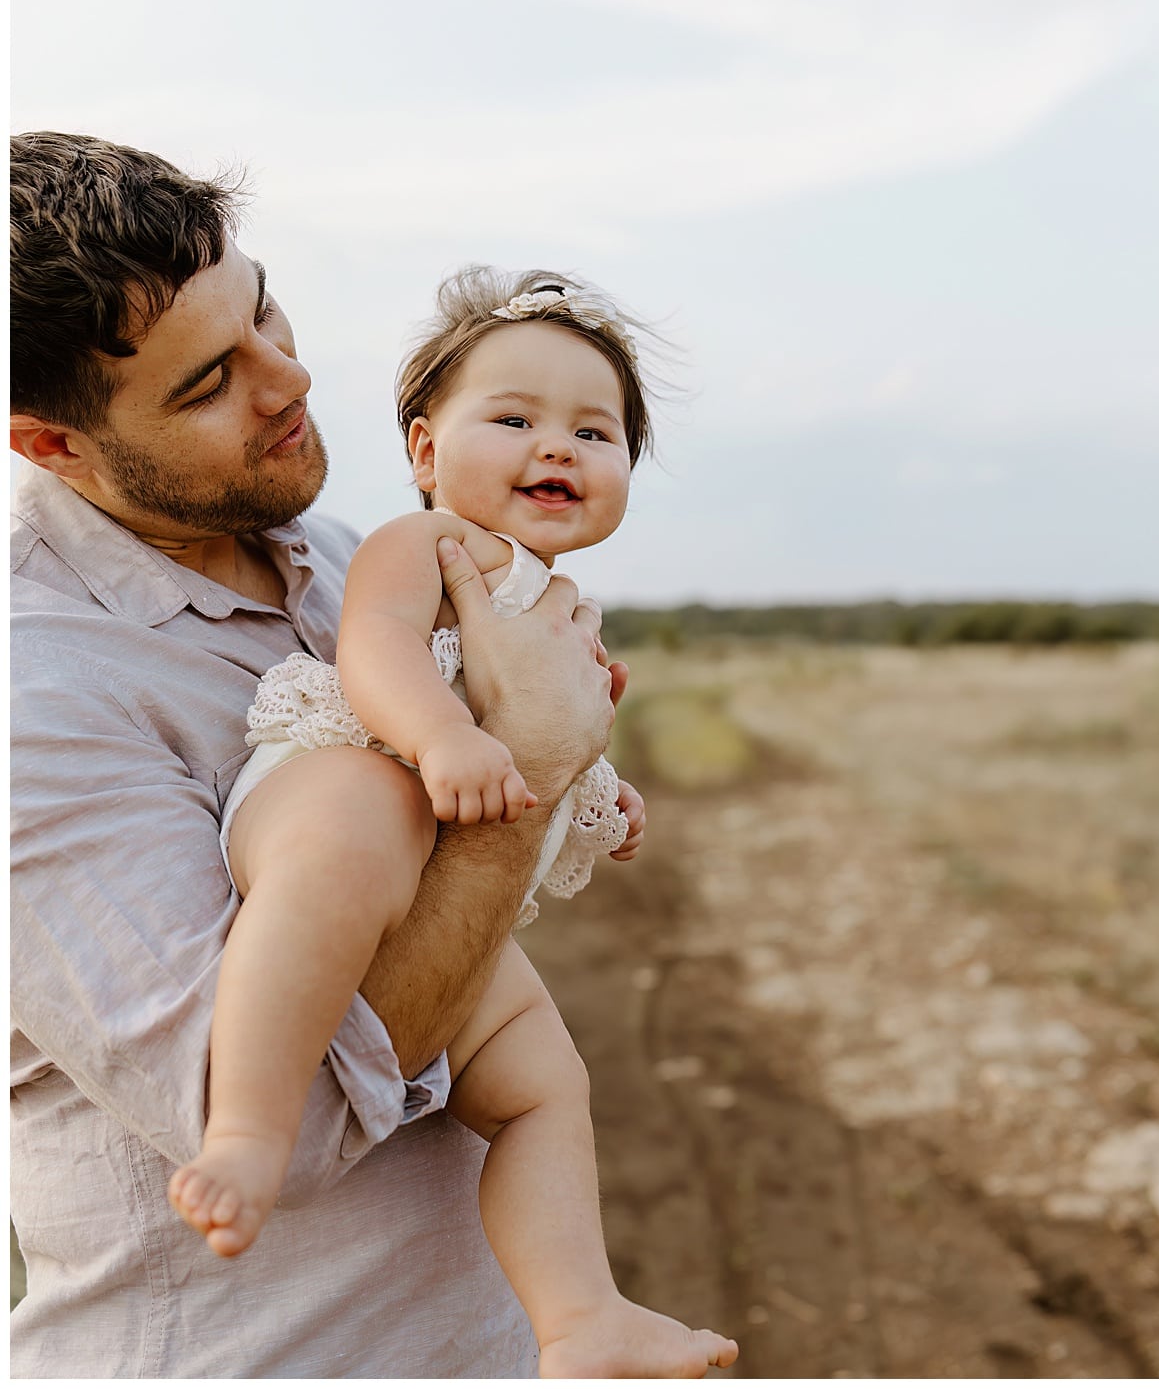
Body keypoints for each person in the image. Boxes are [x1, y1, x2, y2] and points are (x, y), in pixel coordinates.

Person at [9, 132, 736, 1379]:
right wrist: (520, 761)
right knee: (342, 827)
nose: (288, 378)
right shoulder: (36, 686)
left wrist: (579, 769)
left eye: (266, 308)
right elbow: (288, 1137)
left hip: (475, 1343)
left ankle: (582, 1312)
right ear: (53, 443)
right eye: (207, 383)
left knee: (545, 1078)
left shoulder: (330, 548)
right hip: (268, 1359)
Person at [165, 266, 733, 1377]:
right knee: (342, 850)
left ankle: (578, 1318)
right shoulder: (419, 543)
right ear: (426, 452)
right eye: (514, 418)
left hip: (449, 856)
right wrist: (440, 737)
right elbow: (375, 645)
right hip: (350, 762)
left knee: (543, 1082)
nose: (557, 446)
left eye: (595, 429)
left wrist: (599, 794)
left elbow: (558, 719)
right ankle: (247, 1124)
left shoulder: (560, 598)